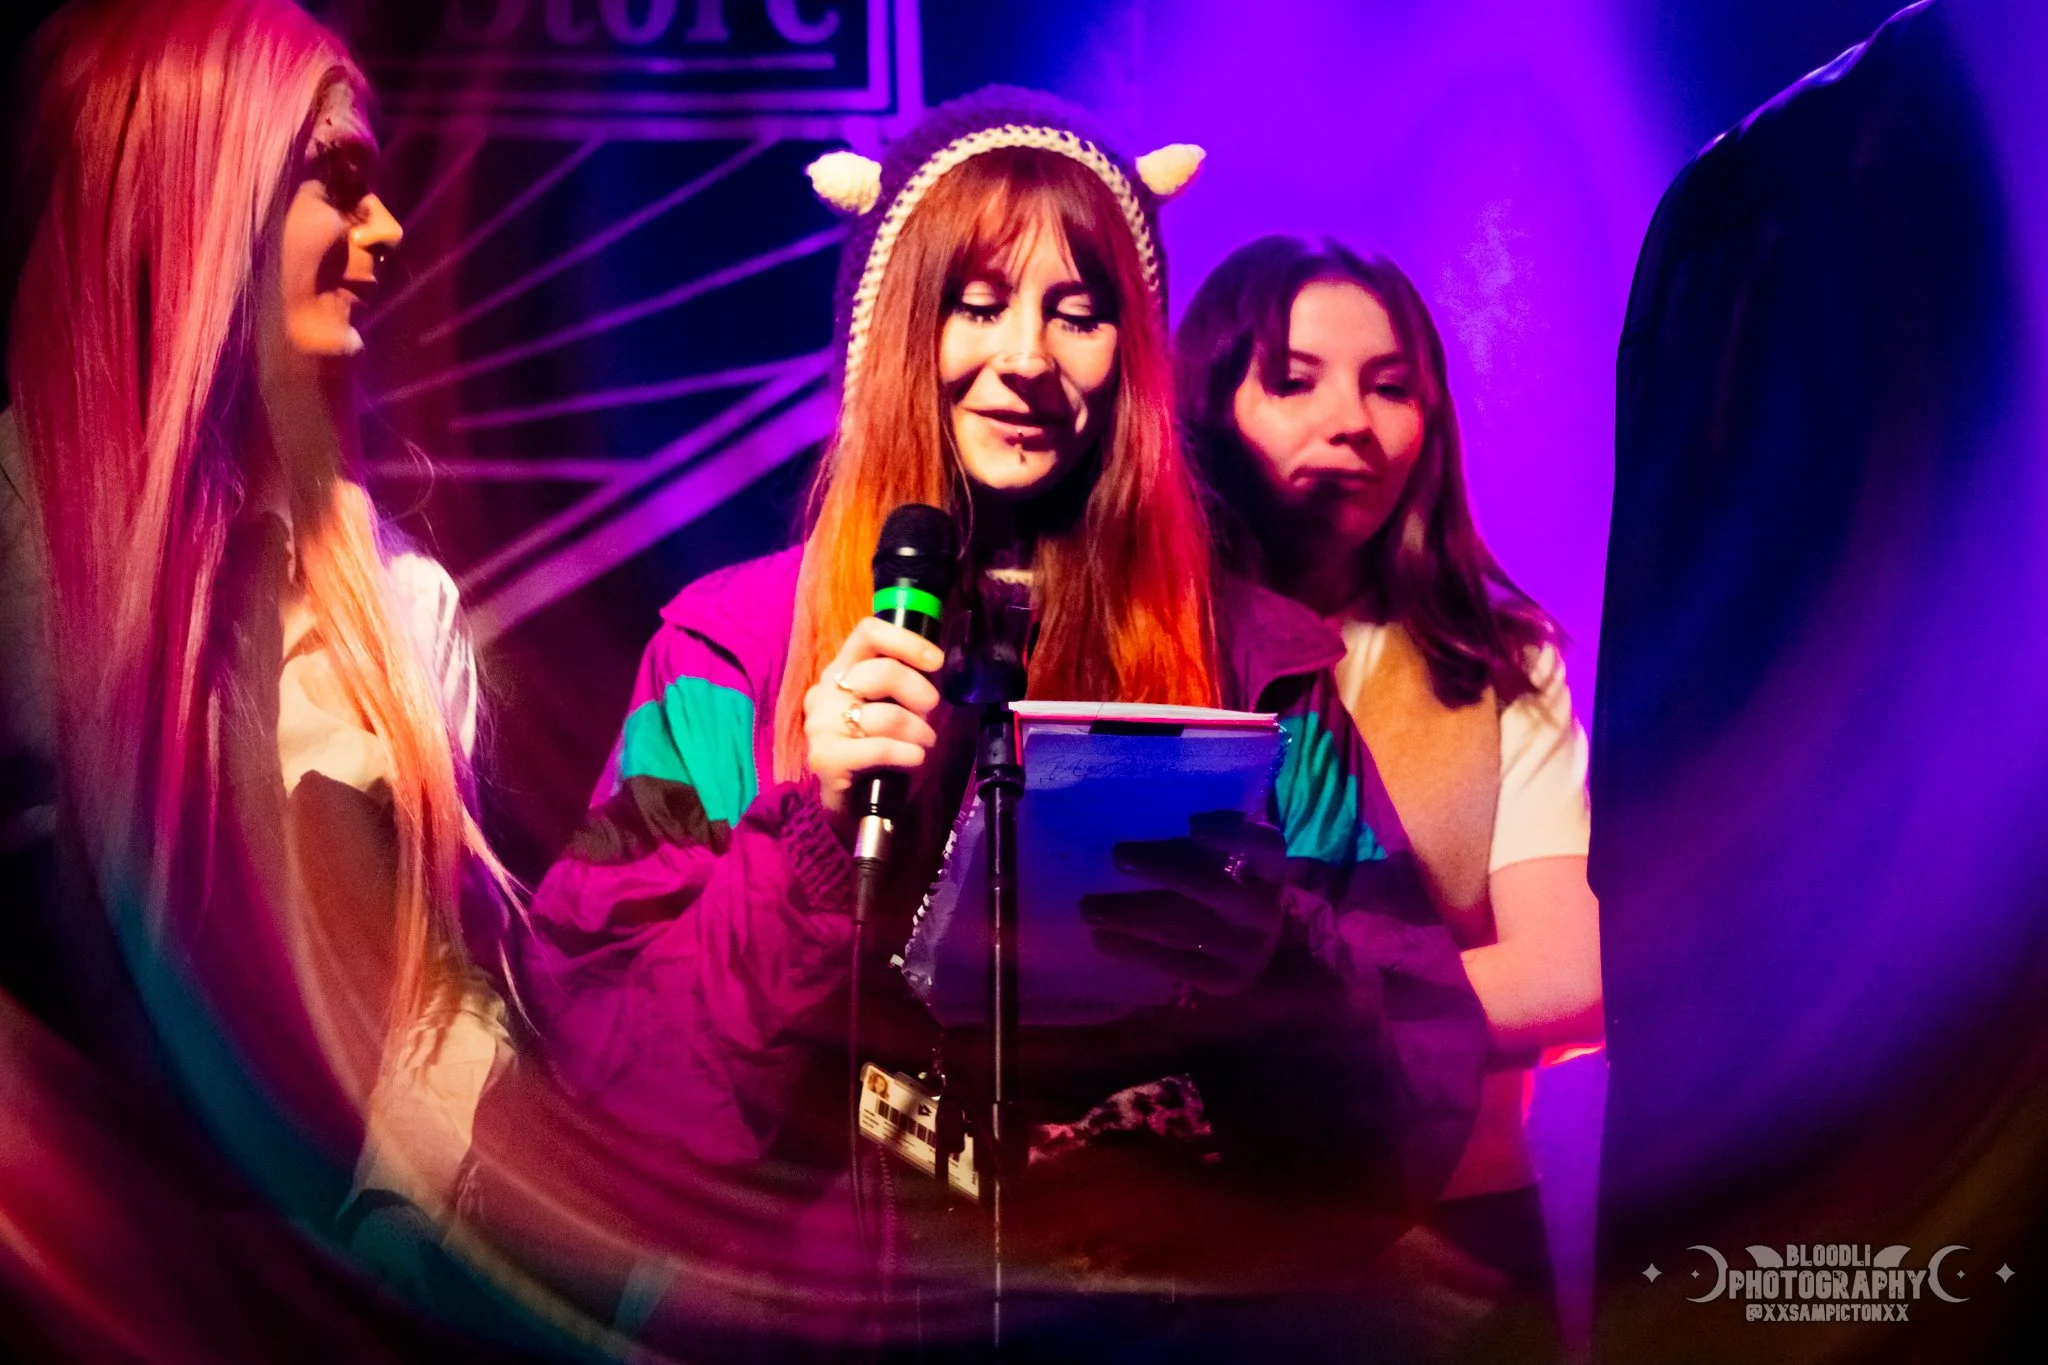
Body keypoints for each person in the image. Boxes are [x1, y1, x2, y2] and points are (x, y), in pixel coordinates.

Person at [516, 88, 1486, 1352]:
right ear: (891, 336)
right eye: (976, 304)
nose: (1025, 357)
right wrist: (804, 844)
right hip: (807, 1314)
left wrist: (1280, 966)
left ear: (1128, 358)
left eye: (1077, 315)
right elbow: (605, 1071)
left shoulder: (1260, 668)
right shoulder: (728, 652)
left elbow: (1414, 1093)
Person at [0, 0, 514, 1274]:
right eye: (336, 180)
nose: (385, 232)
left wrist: (391, 1253)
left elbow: (438, 1008)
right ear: (198, 190)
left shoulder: (405, 611)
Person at [1177, 237, 1605, 1299]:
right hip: (1180, 1238)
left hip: (1458, 1230)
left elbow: (1568, 973)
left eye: (1390, 388)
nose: (1351, 424)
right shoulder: (1143, 643)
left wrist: (1287, 1007)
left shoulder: (1494, 659)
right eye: (1291, 382)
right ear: (1201, 403)